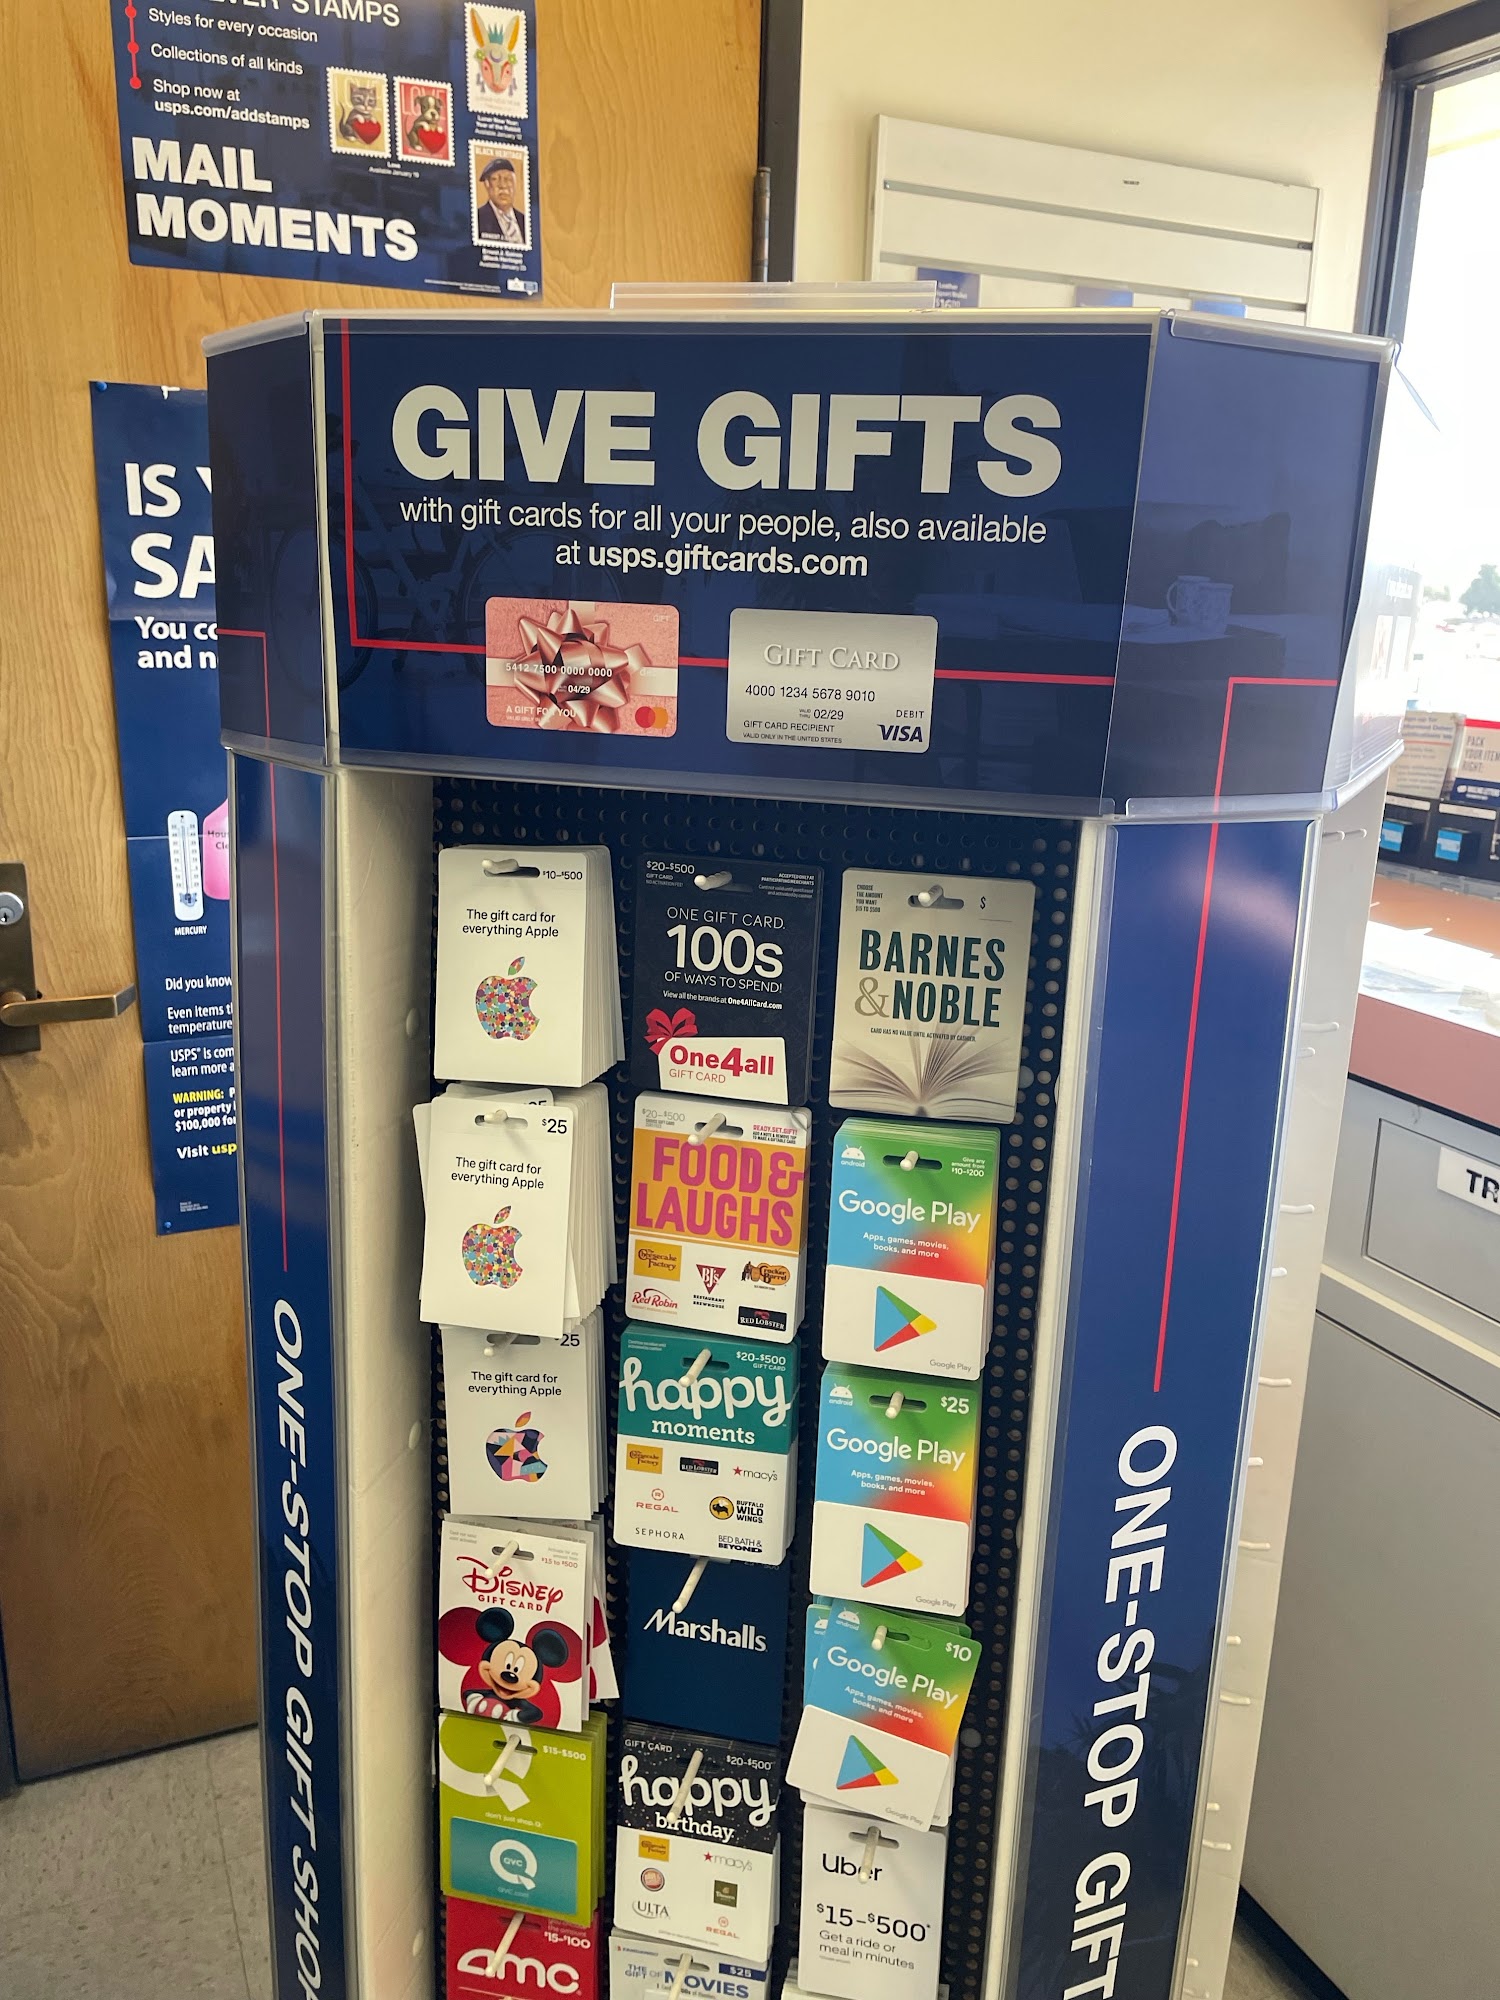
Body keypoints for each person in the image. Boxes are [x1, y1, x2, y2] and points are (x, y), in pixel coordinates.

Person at [477, 156, 525, 243]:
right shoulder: (478, 218)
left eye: (508, 179)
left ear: (515, 184)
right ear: (487, 184)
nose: (503, 185)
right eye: (495, 179)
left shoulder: (525, 220)